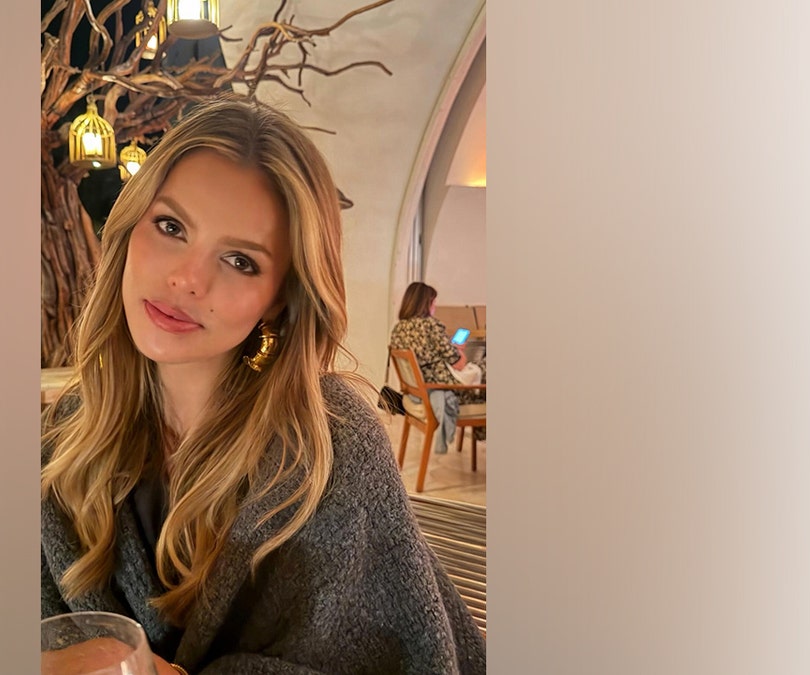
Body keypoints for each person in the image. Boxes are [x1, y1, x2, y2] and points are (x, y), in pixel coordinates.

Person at [41, 96, 486, 674]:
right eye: (171, 226)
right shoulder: (66, 435)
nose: (186, 278)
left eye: (240, 261)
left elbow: (413, 657)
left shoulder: (332, 449)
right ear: (130, 227)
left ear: (279, 296)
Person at [389, 282, 468, 454]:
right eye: (433, 302)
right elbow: (459, 365)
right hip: (436, 387)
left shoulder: (398, 329)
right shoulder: (431, 326)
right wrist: (459, 351)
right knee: (480, 375)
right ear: (425, 303)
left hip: (415, 392)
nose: (435, 306)